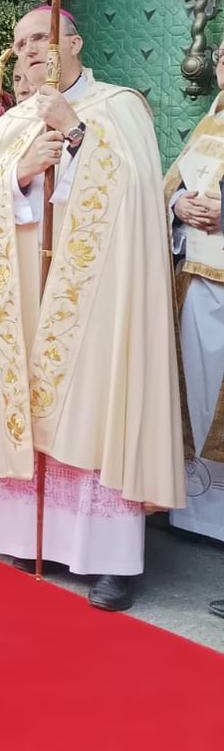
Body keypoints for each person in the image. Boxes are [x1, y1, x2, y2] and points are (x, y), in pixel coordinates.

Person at [0, 6, 184, 611]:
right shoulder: (12, 122)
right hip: (26, 294)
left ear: (73, 43)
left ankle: (109, 557)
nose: (28, 51)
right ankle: (28, 534)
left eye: (41, 39)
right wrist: (16, 178)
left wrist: (77, 136)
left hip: (98, 299)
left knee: (97, 407)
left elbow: (136, 198)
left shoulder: (119, 105)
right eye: (20, 42)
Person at [165, 43, 224, 580]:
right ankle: (197, 511)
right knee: (199, 394)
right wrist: (176, 206)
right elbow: (174, 185)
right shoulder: (207, 126)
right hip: (198, 282)